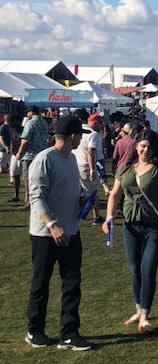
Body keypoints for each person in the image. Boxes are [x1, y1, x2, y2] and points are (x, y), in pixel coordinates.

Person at [102, 130, 158, 333]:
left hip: (154, 227)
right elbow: (114, 195)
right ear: (136, 147)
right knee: (135, 270)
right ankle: (138, 308)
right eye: (142, 146)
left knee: (147, 270)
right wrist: (109, 217)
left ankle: (145, 316)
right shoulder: (125, 169)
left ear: (154, 148)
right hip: (130, 225)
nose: (145, 150)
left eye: (149, 146)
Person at [25, 115, 93, 351]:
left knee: (72, 283)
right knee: (41, 283)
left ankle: (69, 332)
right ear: (74, 136)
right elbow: (37, 197)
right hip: (45, 233)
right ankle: (34, 331)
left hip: (71, 231)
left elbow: (69, 190)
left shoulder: (71, 159)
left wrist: (82, 200)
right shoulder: (44, 159)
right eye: (80, 135)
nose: (81, 139)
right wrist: (52, 225)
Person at [17, 106, 51, 208]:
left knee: (27, 178)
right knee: (40, 178)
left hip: (29, 154)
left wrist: (19, 152)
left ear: (31, 112)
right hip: (41, 153)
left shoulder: (30, 123)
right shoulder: (44, 123)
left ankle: (28, 199)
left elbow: (25, 140)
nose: (27, 114)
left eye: (28, 112)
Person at [74, 114, 104, 225]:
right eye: (101, 123)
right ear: (95, 122)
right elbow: (90, 152)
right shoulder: (93, 134)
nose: (102, 126)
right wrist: (92, 170)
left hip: (76, 164)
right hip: (87, 165)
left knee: (80, 191)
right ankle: (96, 216)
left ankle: (78, 212)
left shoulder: (81, 131)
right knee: (92, 193)